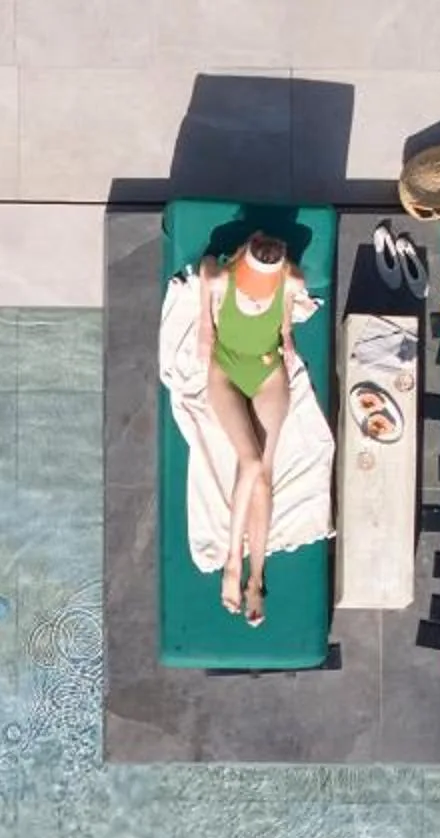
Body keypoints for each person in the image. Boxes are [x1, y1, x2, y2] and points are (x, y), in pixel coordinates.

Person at [194, 232, 310, 629]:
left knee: (264, 477)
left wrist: (287, 335)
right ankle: (233, 562)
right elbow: (206, 267)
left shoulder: (290, 282)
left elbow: (289, 302)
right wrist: (205, 328)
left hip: (267, 371)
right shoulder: (222, 279)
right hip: (226, 371)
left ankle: (256, 578)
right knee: (251, 461)